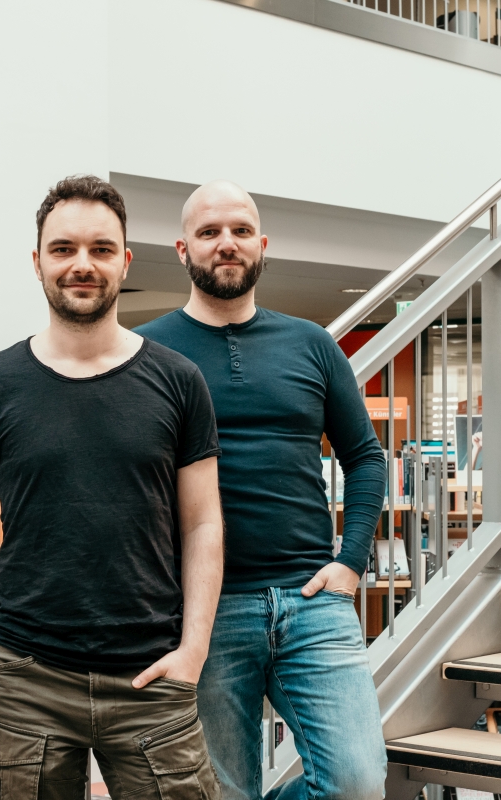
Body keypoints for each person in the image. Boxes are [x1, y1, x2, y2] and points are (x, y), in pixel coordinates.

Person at [0, 175, 226, 800]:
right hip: (26, 677)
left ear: (124, 261)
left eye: (101, 249)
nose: (82, 264)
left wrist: (194, 651)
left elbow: (203, 523)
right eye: (64, 248)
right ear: (37, 260)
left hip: (150, 673)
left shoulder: (180, 381)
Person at [137, 181, 388, 800]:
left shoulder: (312, 344)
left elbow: (365, 457)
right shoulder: (146, 352)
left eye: (241, 231)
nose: (227, 244)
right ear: (181, 249)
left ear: (262, 245)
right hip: (204, 612)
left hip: (313, 602)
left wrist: (350, 563)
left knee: (357, 785)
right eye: (210, 232)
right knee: (223, 790)